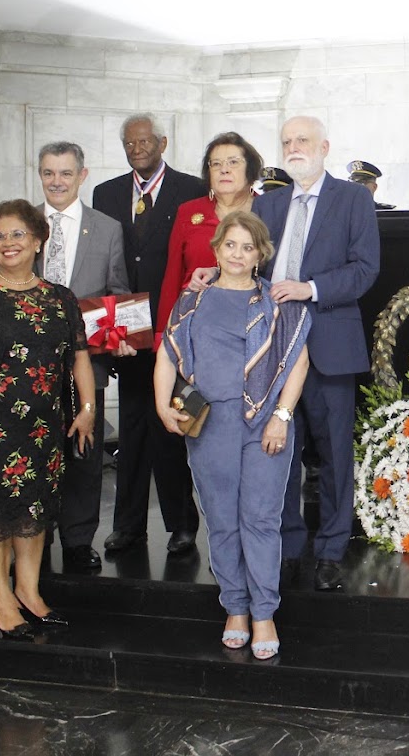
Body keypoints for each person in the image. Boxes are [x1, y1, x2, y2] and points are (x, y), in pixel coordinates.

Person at [155, 211, 312, 660]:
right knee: (222, 519)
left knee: (260, 518)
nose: (238, 254)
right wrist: (162, 405)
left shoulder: (278, 303)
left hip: (266, 423)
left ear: (261, 254)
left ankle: (264, 612)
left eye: (248, 247)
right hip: (209, 423)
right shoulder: (193, 300)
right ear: (217, 249)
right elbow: (167, 355)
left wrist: (282, 415)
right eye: (230, 245)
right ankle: (235, 608)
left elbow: (297, 362)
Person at [0, 200, 95, 639]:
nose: (8, 243)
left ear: (38, 240)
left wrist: (87, 411)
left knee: (34, 511)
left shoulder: (61, 299)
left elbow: (80, 359)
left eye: (17, 234)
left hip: (43, 429)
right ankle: (2, 598)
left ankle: (28, 590)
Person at [254, 116, 379, 592]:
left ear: (324, 147)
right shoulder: (267, 203)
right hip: (275, 350)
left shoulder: (352, 199)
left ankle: (331, 548)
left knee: (333, 454)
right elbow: (250, 265)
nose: (294, 147)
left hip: (329, 345)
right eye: (287, 141)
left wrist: (309, 288)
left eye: (302, 140)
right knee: (279, 452)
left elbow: (365, 269)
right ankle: (288, 548)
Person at [92, 113, 207, 557]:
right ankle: (128, 527)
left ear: (162, 143)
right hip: (126, 333)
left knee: (171, 429)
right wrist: (108, 332)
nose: (137, 149)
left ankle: (182, 525)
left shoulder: (191, 189)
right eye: (129, 143)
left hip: (174, 326)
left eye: (144, 142)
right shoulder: (106, 193)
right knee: (132, 431)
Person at [36, 141, 130, 572]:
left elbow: (118, 293)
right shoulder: (23, 223)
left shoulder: (107, 229)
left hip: (87, 364)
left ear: (82, 175)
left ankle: (77, 541)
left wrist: (122, 335)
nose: (56, 181)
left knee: (83, 452)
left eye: (65, 173)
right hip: (29, 366)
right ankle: (33, 540)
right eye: (48, 173)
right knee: (33, 453)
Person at [155, 132, 262, 345]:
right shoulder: (188, 211)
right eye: (216, 164)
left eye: (233, 162)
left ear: (250, 170)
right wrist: (162, 335)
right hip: (193, 324)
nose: (224, 169)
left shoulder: (268, 209)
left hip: (251, 323)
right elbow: (173, 275)